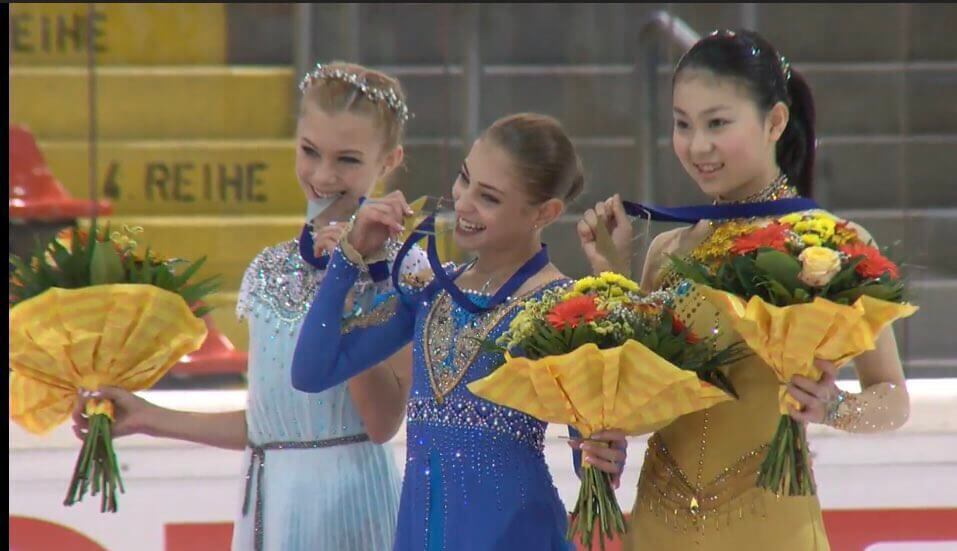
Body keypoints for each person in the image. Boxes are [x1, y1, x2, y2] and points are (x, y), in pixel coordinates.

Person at [72, 62, 426, 551]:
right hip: (268, 501)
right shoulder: (268, 268)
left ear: (388, 161)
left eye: (347, 159)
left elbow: (383, 422)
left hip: (351, 509)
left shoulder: (406, 272)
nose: (323, 175)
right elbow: (268, 427)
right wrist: (147, 416)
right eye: (309, 151)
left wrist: (343, 282)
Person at [578, 30, 910, 550]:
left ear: (774, 121)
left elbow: (892, 399)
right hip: (657, 525)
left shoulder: (829, 246)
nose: (697, 145)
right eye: (682, 124)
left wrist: (833, 408)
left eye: (717, 123)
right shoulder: (666, 250)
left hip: (770, 525)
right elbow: (638, 399)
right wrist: (606, 443)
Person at [291, 113, 629, 550]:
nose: (463, 203)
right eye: (464, 179)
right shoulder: (430, 292)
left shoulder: (559, 308)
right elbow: (311, 372)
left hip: (516, 537)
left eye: (487, 197)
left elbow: (595, 465)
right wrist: (349, 254)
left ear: (544, 213)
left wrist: (607, 446)